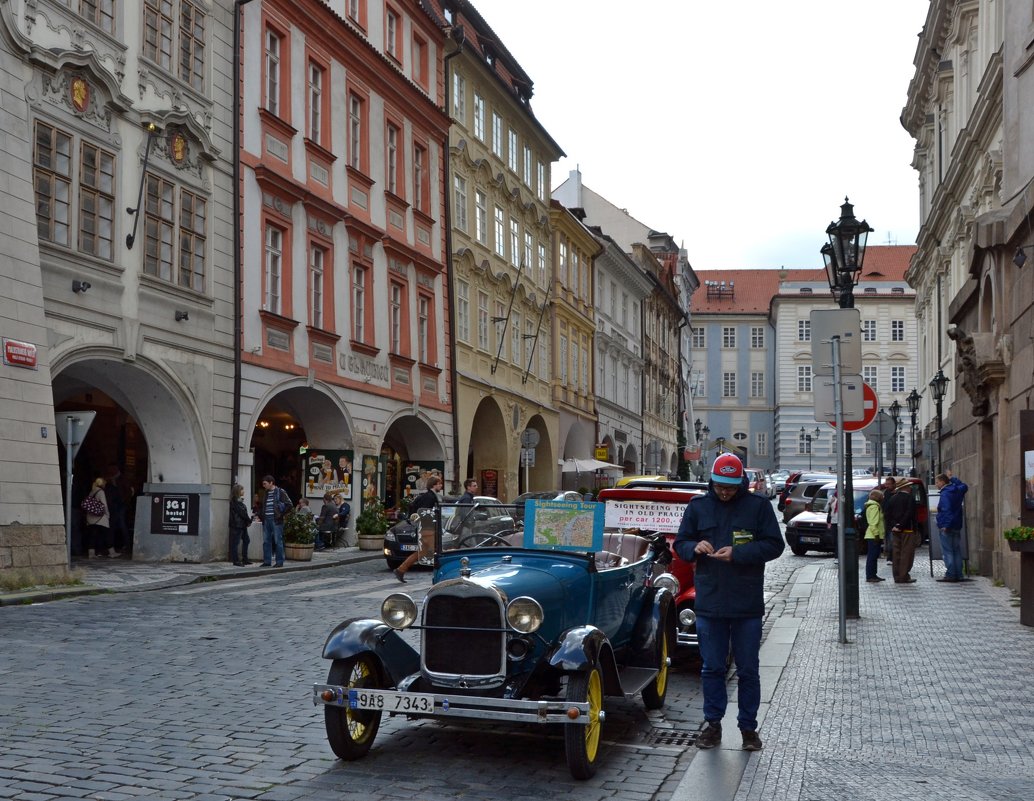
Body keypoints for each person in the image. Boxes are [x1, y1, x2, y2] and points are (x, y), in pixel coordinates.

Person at [673, 453, 784, 751]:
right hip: (709, 600)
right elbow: (680, 542)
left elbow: (775, 545)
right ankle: (713, 725)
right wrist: (694, 546)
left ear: (741, 483)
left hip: (746, 601)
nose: (725, 492)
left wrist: (738, 553)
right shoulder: (698, 507)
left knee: (748, 668)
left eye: (731, 487)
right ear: (712, 481)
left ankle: (748, 728)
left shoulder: (758, 507)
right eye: (720, 486)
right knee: (711, 667)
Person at [394, 474, 443, 583]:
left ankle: (401, 570)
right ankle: (442, 576)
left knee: (422, 552)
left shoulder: (429, 496)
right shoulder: (430, 497)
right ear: (434, 485)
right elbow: (425, 513)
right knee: (436, 551)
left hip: (426, 528)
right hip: (427, 529)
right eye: (439, 484)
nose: (441, 486)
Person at [935, 470, 969, 583]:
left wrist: (946, 525)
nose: (936, 484)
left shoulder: (945, 493)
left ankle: (951, 574)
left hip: (948, 526)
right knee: (956, 550)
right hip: (957, 524)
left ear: (942, 482)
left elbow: (946, 509)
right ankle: (959, 574)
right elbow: (964, 486)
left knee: (948, 551)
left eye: (937, 482)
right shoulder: (957, 490)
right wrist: (952, 478)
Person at [884, 477, 919, 584]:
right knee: (906, 553)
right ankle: (904, 575)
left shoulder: (892, 498)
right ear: (906, 487)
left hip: (895, 530)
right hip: (907, 529)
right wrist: (901, 525)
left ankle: (897, 575)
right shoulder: (910, 498)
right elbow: (909, 513)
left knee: (896, 553)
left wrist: (894, 526)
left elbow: (887, 515)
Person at [259, 474, 290, 568]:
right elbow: (264, 506)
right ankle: (267, 561)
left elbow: (289, 504)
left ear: (271, 483)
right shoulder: (266, 493)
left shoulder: (280, 492)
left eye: (265, 483)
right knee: (266, 541)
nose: (263, 485)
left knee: (278, 541)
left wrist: (281, 515)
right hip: (266, 520)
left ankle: (279, 561)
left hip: (276, 520)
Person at [83, 476, 116, 558]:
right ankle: (112, 552)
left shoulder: (92, 491)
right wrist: (108, 514)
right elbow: (104, 505)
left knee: (93, 534)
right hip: (100, 517)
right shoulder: (101, 492)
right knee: (107, 533)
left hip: (91, 516)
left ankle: (91, 553)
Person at [863, 489, 886, 583]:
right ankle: (870, 575)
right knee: (872, 556)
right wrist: (876, 535)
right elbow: (873, 523)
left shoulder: (872, 506)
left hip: (872, 535)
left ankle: (873, 574)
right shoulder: (874, 507)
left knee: (873, 556)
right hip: (873, 535)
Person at [229, 484, 253, 566]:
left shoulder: (238, 500)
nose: (243, 491)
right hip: (237, 525)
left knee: (246, 540)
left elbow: (242, 513)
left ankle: (244, 559)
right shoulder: (235, 501)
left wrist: (247, 522)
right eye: (242, 490)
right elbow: (242, 513)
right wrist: (249, 520)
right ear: (238, 491)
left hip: (241, 525)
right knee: (235, 543)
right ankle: (236, 561)